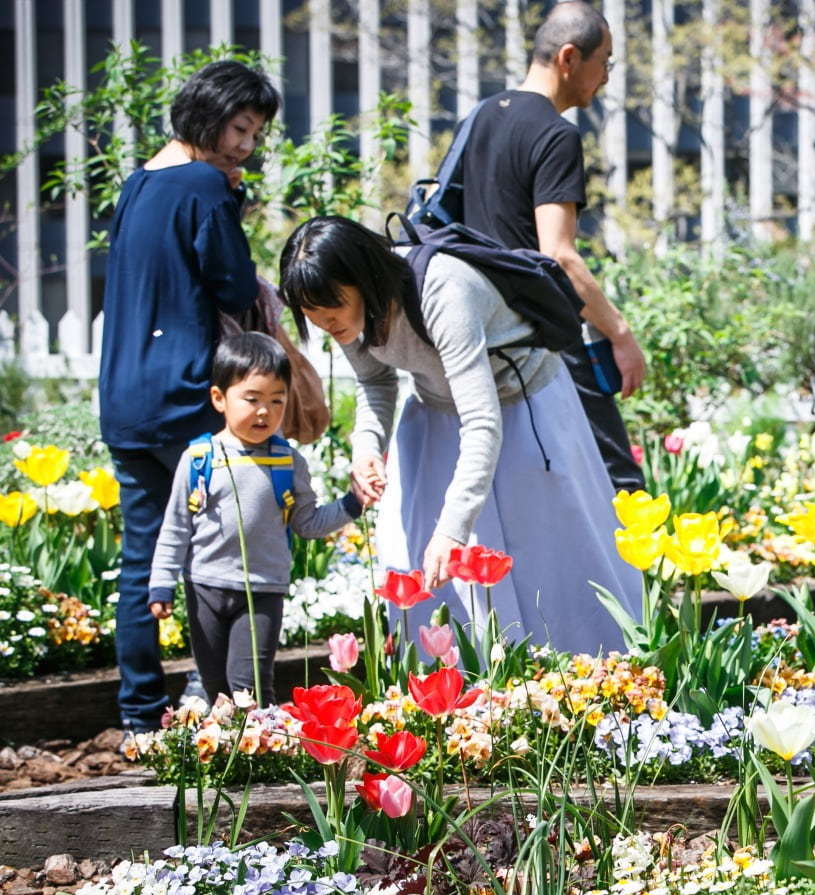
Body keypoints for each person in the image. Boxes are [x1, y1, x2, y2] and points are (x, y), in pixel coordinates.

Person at [278, 217, 641, 654]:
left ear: (362, 277)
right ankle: (470, 688)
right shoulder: (345, 313)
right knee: (434, 568)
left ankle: (593, 670)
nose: (323, 322)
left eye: (330, 307)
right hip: (437, 411)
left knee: (549, 559)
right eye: (310, 313)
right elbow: (375, 382)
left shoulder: (443, 291)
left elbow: (483, 419)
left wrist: (452, 530)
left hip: (524, 407)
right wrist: (367, 450)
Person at [99, 60, 280, 734]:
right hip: (184, 397)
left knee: (143, 561)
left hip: (123, 401)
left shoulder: (137, 184)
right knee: (219, 556)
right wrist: (233, 198)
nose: (246, 146)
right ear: (208, 115)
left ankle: (141, 717)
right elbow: (233, 287)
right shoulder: (204, 185)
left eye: (254, 133)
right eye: (241, 127)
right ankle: (224, 705)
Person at [459, 0, 647, 492]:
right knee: (618, 482)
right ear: (569, 57)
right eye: (604, 60)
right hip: (542, 337)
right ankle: (632, 575)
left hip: (479, 338)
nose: (606, 75)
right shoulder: (555, 134)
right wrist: (621, 335)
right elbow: (558, 254)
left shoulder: (477, 120)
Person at [147, 333, 364, 706]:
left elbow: (307, 522)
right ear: (219, 398)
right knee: (214, 685)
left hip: (263, 590)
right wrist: (161, 585)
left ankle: (257, 755)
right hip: (205, 587)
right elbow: (176, 527)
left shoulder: (287, 462)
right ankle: (220, 756)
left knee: (250, 686)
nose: (264, 411)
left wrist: (352, 503)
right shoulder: (200, 459)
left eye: (276, 401)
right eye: (252, 399)